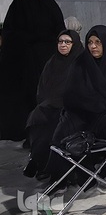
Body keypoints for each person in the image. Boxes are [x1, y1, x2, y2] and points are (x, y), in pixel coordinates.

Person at [47, 25, 106, 190]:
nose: (93, 46)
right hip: (86, 112)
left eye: (98, 42)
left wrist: (100, 105)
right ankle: (64, 175)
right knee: (65, 124)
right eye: (90, 42)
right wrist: (91, 105)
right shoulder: (81, 64)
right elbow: (71, 95)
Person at [0, 0, 65, 141]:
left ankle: (46, 134)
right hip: (23, 62)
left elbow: (59, 31)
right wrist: (24, 39)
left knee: (45, 96)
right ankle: (27, 133)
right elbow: (9, 33)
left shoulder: (48, 6)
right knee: (26, 97)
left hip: (45, 60)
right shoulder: (16, 8)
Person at [23, 30, 84, 180]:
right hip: (50, 106)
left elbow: (81, 91)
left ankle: (47, 166)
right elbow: (42, 89)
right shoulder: (52, 63)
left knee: (53, 126)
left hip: (71, 108)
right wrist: (46, 103)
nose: (63, 45)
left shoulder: (81, 62)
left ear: (75, 44)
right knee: (37, 118)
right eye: (60, 41)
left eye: (67, 42)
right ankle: (39, 162)